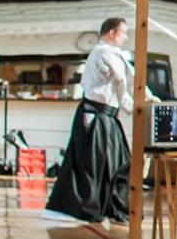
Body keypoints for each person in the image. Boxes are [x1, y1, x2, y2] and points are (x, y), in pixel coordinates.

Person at [48, 17, 136, 224]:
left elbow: (125, 81)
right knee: (92, 165)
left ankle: (114, 210)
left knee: (118, 163)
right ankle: (88, 210)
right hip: (95, 115)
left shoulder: (113, 54)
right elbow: (122, 81)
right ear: (112, 33)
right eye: (123, 32)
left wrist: (141, 100)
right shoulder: (103, 53)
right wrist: (134, 105)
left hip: (106, 116)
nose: (126, 37)